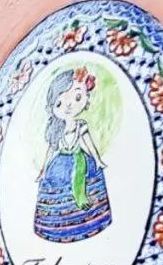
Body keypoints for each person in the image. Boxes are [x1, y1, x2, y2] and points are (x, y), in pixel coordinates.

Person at [33, 67, 113, 243]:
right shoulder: (56, 128)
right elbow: (51, 149)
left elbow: (89, 144)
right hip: (59, 165)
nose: (69, 105)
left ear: (85, 99)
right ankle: (58, 229)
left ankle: (90, 224)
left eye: (77, 97)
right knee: (58, 190)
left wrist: (98, 160)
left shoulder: (80, 125)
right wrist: (44, 169)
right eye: (61, 102)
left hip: (81, 161)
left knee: (90, 185)